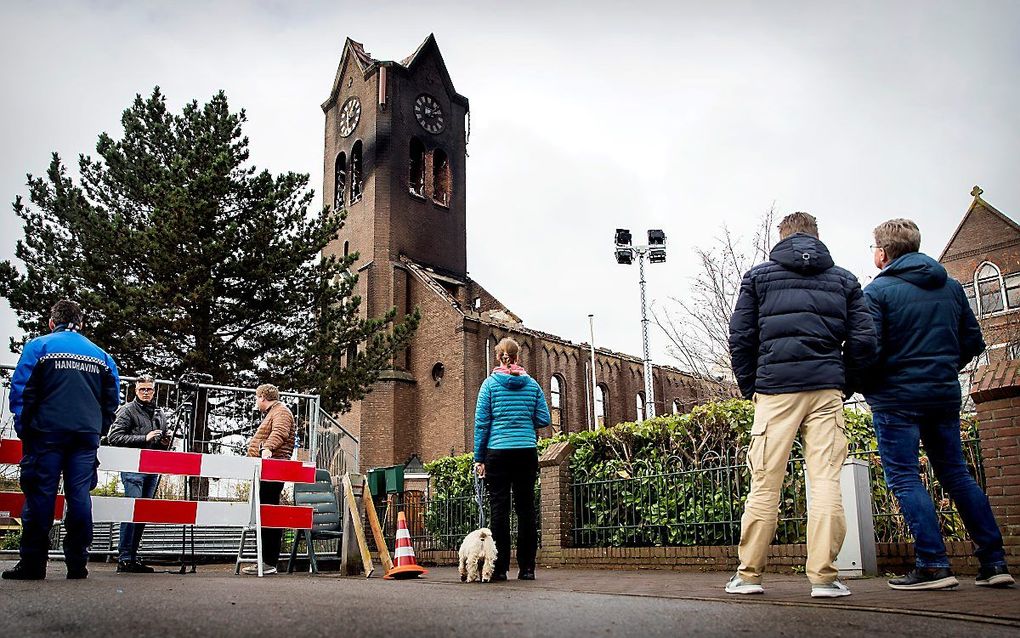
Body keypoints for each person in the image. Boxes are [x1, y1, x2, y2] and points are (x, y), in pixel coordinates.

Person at [727, 212, 877, 598]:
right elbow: (863, 340)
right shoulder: (844, 280)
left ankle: (748, 576)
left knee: (765, 482)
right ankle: (825, 578)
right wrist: (844, 384)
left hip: (774, 390)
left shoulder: (759, 277)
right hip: (826, 388)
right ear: (816, 236)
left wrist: (752, 386)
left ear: (781, 237)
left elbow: (741, 336)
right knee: (826, 481)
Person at [860, 218, 1014, 590]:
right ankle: (994, 563)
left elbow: (869, 350)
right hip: (943, 394)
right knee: (957, 474)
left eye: (873, 248)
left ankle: (933, 564)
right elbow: (973, 342)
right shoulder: (950, 287)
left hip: (896, 399)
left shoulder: (877, 293)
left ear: (883, 252)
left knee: (904, 477)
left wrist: (868, 385)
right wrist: (943, 368)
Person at [3, 299, 120, 580]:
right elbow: (112, 399)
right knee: (79, 495)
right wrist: (98, 428)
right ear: (81, 324)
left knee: (41, 494)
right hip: (85, 435)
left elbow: (21, 392)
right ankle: (78, 563)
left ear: (51, 322)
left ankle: (33, 564)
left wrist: (25, 429)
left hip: (46, 432)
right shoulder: (102, 356)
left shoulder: (39, 347)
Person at [473, 337, 550, 582]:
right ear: (518, 357)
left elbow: (482, 424)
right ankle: (527, 569)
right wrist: (523, 419)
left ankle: (500, 568)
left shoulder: (489, 385)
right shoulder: (532, 385)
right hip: (526, 451)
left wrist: (479, 457)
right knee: (526, 509)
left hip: (497, 452)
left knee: (499, 510)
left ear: (499, 357)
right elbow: (543, 418)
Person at [106, 374, 168, 573]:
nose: (146, 393)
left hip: (153, 465)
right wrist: (144, 437)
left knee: (142, 512)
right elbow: (114, 436)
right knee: (131, 510)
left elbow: (160, 436)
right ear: (136, 390)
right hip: (133, 466)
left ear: (154, 390)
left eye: (149, 389)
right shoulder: (126, 410)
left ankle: (133, 555)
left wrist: (164, 441)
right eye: (142, 389)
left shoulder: (158, 412)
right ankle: (125, 557)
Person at [241, 383, 295, 576]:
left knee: (268, 514)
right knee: (266, 513)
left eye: (257, 397)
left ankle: (268, 561)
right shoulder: (276, 412)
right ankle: (265, 560)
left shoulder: (281, 412)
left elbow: (280, 432)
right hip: (269, 469)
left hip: (272, 469)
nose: (256, 401)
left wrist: (267, 449)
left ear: (263, 396)